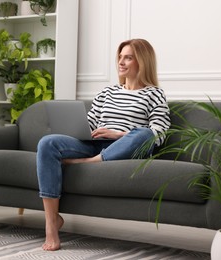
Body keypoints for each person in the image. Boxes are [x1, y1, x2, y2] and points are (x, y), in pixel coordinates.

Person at [36, 38, 171, 251]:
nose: (121, 62)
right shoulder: (107, 92)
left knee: (144, 133)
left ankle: (90, 163)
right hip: (94, 143)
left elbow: (158, 134)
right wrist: (78, 129)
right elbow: (88, 123)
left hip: (126, 148)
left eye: (128, 57)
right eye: (120, 57)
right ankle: (52, 223)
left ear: (142, 61)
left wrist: (119, 135)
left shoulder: (154, 94)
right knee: (47, 143)